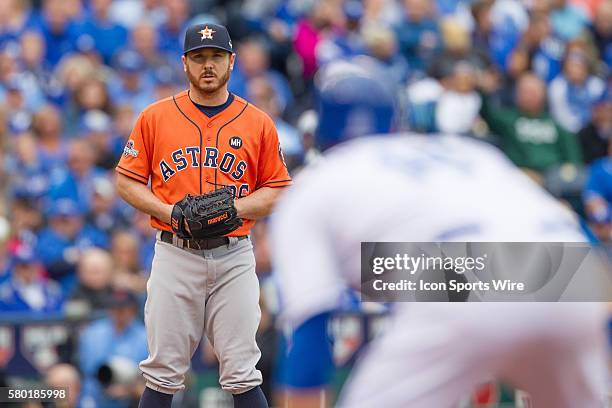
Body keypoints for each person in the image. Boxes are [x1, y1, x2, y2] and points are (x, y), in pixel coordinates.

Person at [270, 60, 608, 407]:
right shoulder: (464, 151)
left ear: (318, 132)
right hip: (567, 266)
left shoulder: (315, 185)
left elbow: (310, 331)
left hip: (466, 271)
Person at [115, 23, 292, 408]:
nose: (207, 66)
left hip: (234, 255)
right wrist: (171, 212)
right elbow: (126, 181)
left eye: (215, 57)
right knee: (162, 373)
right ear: (184, 64)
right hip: (175, 252)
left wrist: (234, 209)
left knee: (244, 373)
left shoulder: (257, 121)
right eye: (198, 57)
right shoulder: (155, 116)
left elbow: (278, 188)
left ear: (232, 61)